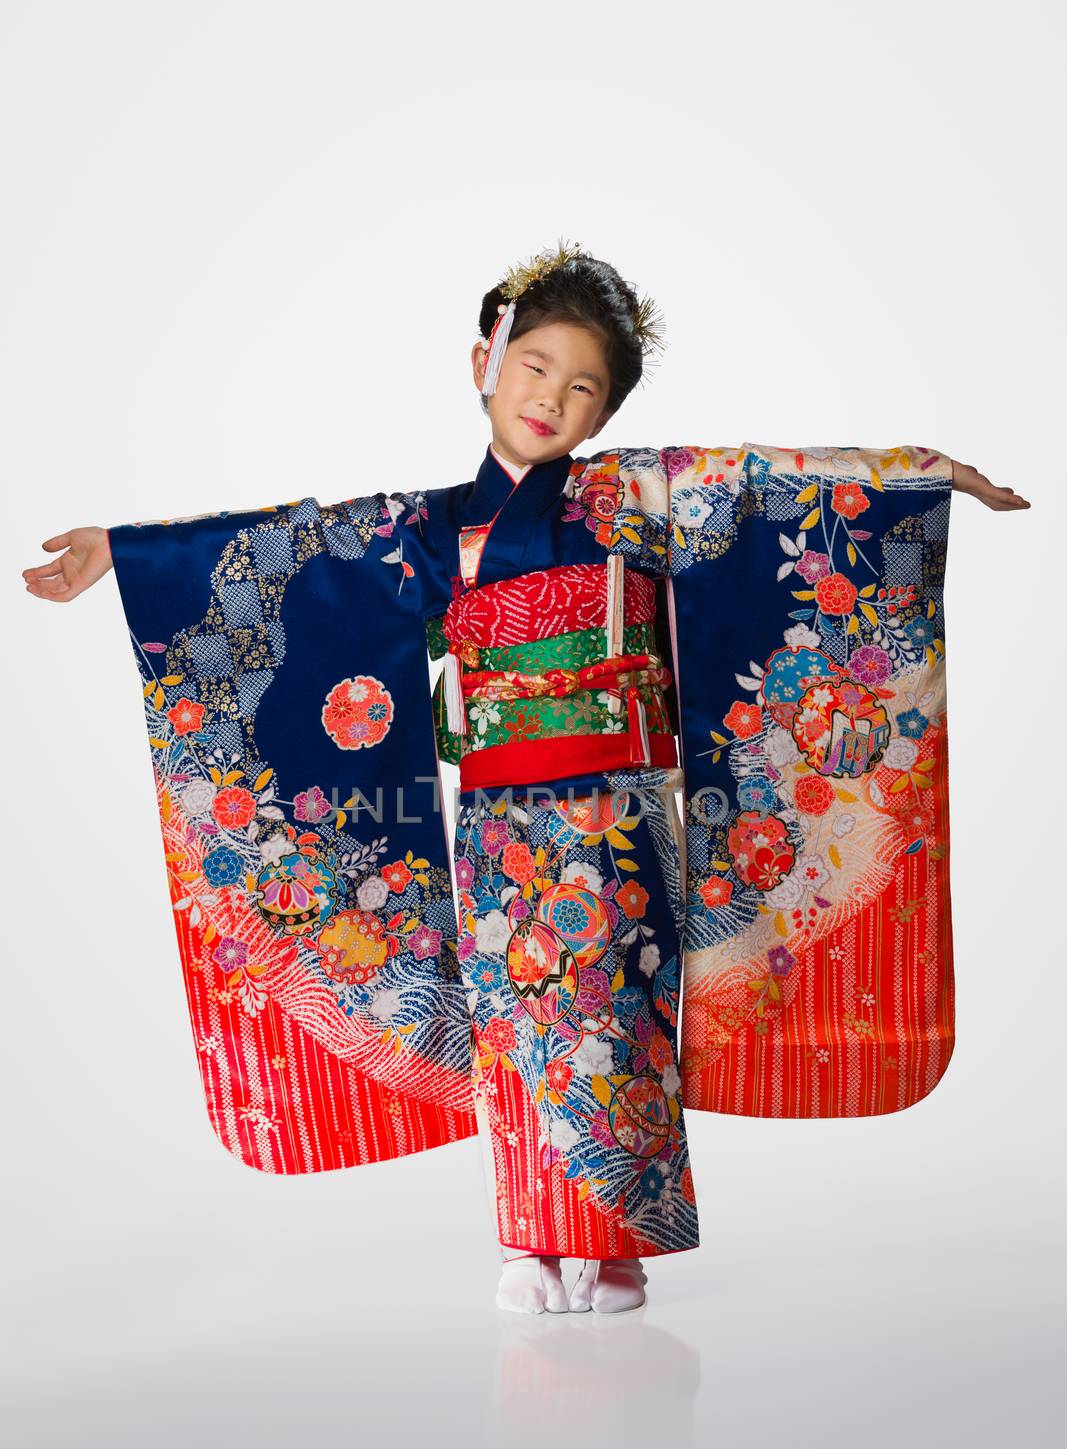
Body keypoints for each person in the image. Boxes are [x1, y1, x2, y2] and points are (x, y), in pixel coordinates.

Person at [21, 242, 1031, 1317]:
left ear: (603, 414)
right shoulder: (428, 524)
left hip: (626, 805)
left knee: (620, 1003)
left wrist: (916, 478)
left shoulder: (637, 493)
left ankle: (620, 1244)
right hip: (499, 816)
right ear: (484, 363)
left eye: (582, 385)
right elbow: (289, 551)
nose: (552, 396)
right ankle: (533, 1244)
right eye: (535, 366)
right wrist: (129, 555)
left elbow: (767, 483)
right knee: (517, 1011)